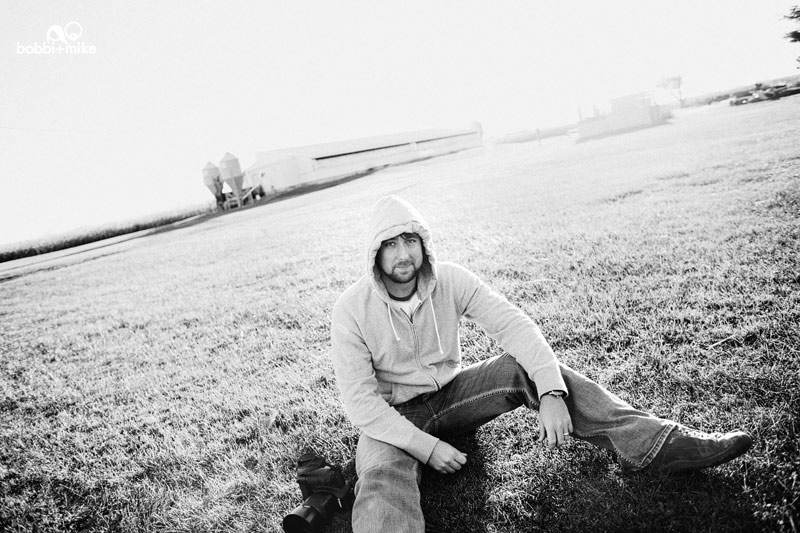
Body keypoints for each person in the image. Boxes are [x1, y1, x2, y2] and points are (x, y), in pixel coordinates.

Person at [330, 195, 752, 532]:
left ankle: (659, 444)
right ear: (374, 253)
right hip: (392, 416)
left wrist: (550, 390)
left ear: (423, 243)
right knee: (382, 476)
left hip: (453, 396)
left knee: (524, 367)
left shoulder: (451, 279)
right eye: (390, 244)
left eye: (410, 240)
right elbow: (361, 402)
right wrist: (427, 448)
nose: (403, 253)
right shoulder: (351, 309)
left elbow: (513, 324)